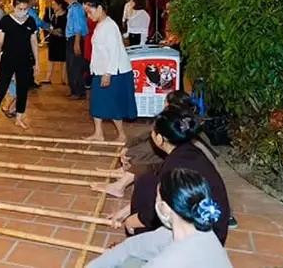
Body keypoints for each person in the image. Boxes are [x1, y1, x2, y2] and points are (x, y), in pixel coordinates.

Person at [110, 108, 231, 245]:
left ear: (160, 139)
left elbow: (154, 214)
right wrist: (127, 211)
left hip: (202, 237)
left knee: (147, 193)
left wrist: (131, 221)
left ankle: (142, 246)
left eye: (153, 132)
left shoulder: (174, 167)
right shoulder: (189, 150)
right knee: (147, 180)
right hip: (213, 228)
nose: (151, 134)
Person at [87, 168, 231, 268]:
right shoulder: (191, 230)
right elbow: (130, 246)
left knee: (128, 263)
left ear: (165, 208)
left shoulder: (170, 261)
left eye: (156, 197)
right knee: (127, 258)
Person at [91, 91, 202, 198]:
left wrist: (131, 154)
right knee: (139, 150)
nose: (163, 104)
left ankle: (120, 185)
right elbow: (145, 135)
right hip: (165, 154)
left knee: (144, 160)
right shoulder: (168, 119)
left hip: (172, 167)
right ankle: (125, 172)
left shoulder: (175, 126)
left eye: (165, 102)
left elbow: (154, 148)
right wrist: (127, 146)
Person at [0, 0, 40, 130]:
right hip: (7, 59)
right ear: (14, 7)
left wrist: (37, 62)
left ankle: (19, 118)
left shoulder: (30, 21)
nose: (23, 12)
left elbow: (33, 42)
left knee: (22, 90)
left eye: (25, 9)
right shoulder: (6, 21)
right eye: (20, 9)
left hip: (25, 61)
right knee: (1, 89)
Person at [83, 0, 136, 142]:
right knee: (97, 103)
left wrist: (109, 73)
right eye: (86, 13)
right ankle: (98, 133)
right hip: (100, 71)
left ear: (100, 8)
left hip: (113, 72)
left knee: (113, 104)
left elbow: (114, 51)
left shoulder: (110, 26)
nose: (89, 15)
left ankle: (121, 134)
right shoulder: (100, 25)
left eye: (90, 11)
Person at [64, 0, 88, 99]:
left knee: (75, 66)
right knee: (71, 65)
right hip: (72, 39)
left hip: (75, 38)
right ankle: (75, 90)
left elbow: (78, 27)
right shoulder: (72, 8)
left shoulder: (76, 8)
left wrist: (77, 42)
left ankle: (78, 91)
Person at [42, 0, 67, 85]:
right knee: (51, 58)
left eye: (54, 4)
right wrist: (52, 31)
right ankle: (48, 78)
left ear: (60, 5)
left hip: (62, 40)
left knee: (63, 59)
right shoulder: (53, 15)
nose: (53, 6)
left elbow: (62, 29)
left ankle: (63, 79)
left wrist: (55, 31)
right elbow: (49, 26)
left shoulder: (65, 15)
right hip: (53, 39)